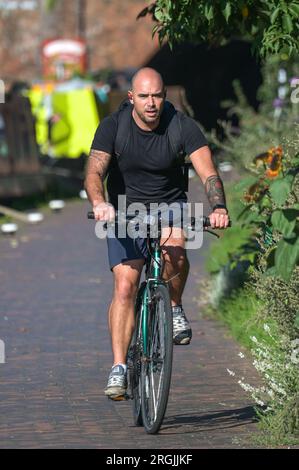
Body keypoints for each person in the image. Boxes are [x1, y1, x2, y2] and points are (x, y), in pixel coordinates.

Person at [84, 67, 229, 400]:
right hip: (123, 208)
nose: (152, 103)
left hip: (171, 206)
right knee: (125, 285)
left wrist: (218, 207)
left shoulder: (181, 125)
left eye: (158, 96)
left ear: (165, 97)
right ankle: (119, 367)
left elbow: (208, 171)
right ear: (131, 97)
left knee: (176, 249)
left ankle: (174, 306)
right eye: (145, 96)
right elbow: (94, 170)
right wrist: (100, 202)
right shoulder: (113, 127)